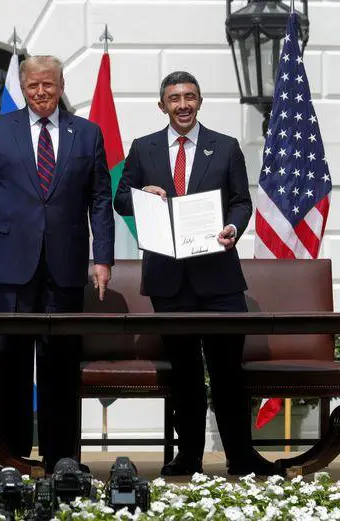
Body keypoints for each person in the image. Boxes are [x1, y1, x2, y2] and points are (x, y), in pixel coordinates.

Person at [114, 71, 279, 476]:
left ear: (200, 101)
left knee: (227, 374)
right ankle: (189, 456)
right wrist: (140, 197)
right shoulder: (143, 148)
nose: (183, 104)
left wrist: (233, 228)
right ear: (162, 105)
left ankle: (241, 456)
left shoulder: (225, 147)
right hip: (169, 280)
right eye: (174, 98)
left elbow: (242, 203)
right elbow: (120, 199)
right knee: (185, 375)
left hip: (219, 278)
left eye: (190, 96)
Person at [0, 55, 115, 472]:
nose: (41, 93)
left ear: (62, 85)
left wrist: (103, 257)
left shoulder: (86, 134)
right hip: (9, 266)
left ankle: (60, 456)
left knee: (60, 365)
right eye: (33, 86)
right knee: (9, 363)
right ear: (24, 88)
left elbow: (101, 199)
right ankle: (10, 455)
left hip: (65, 267)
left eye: (49, 85)